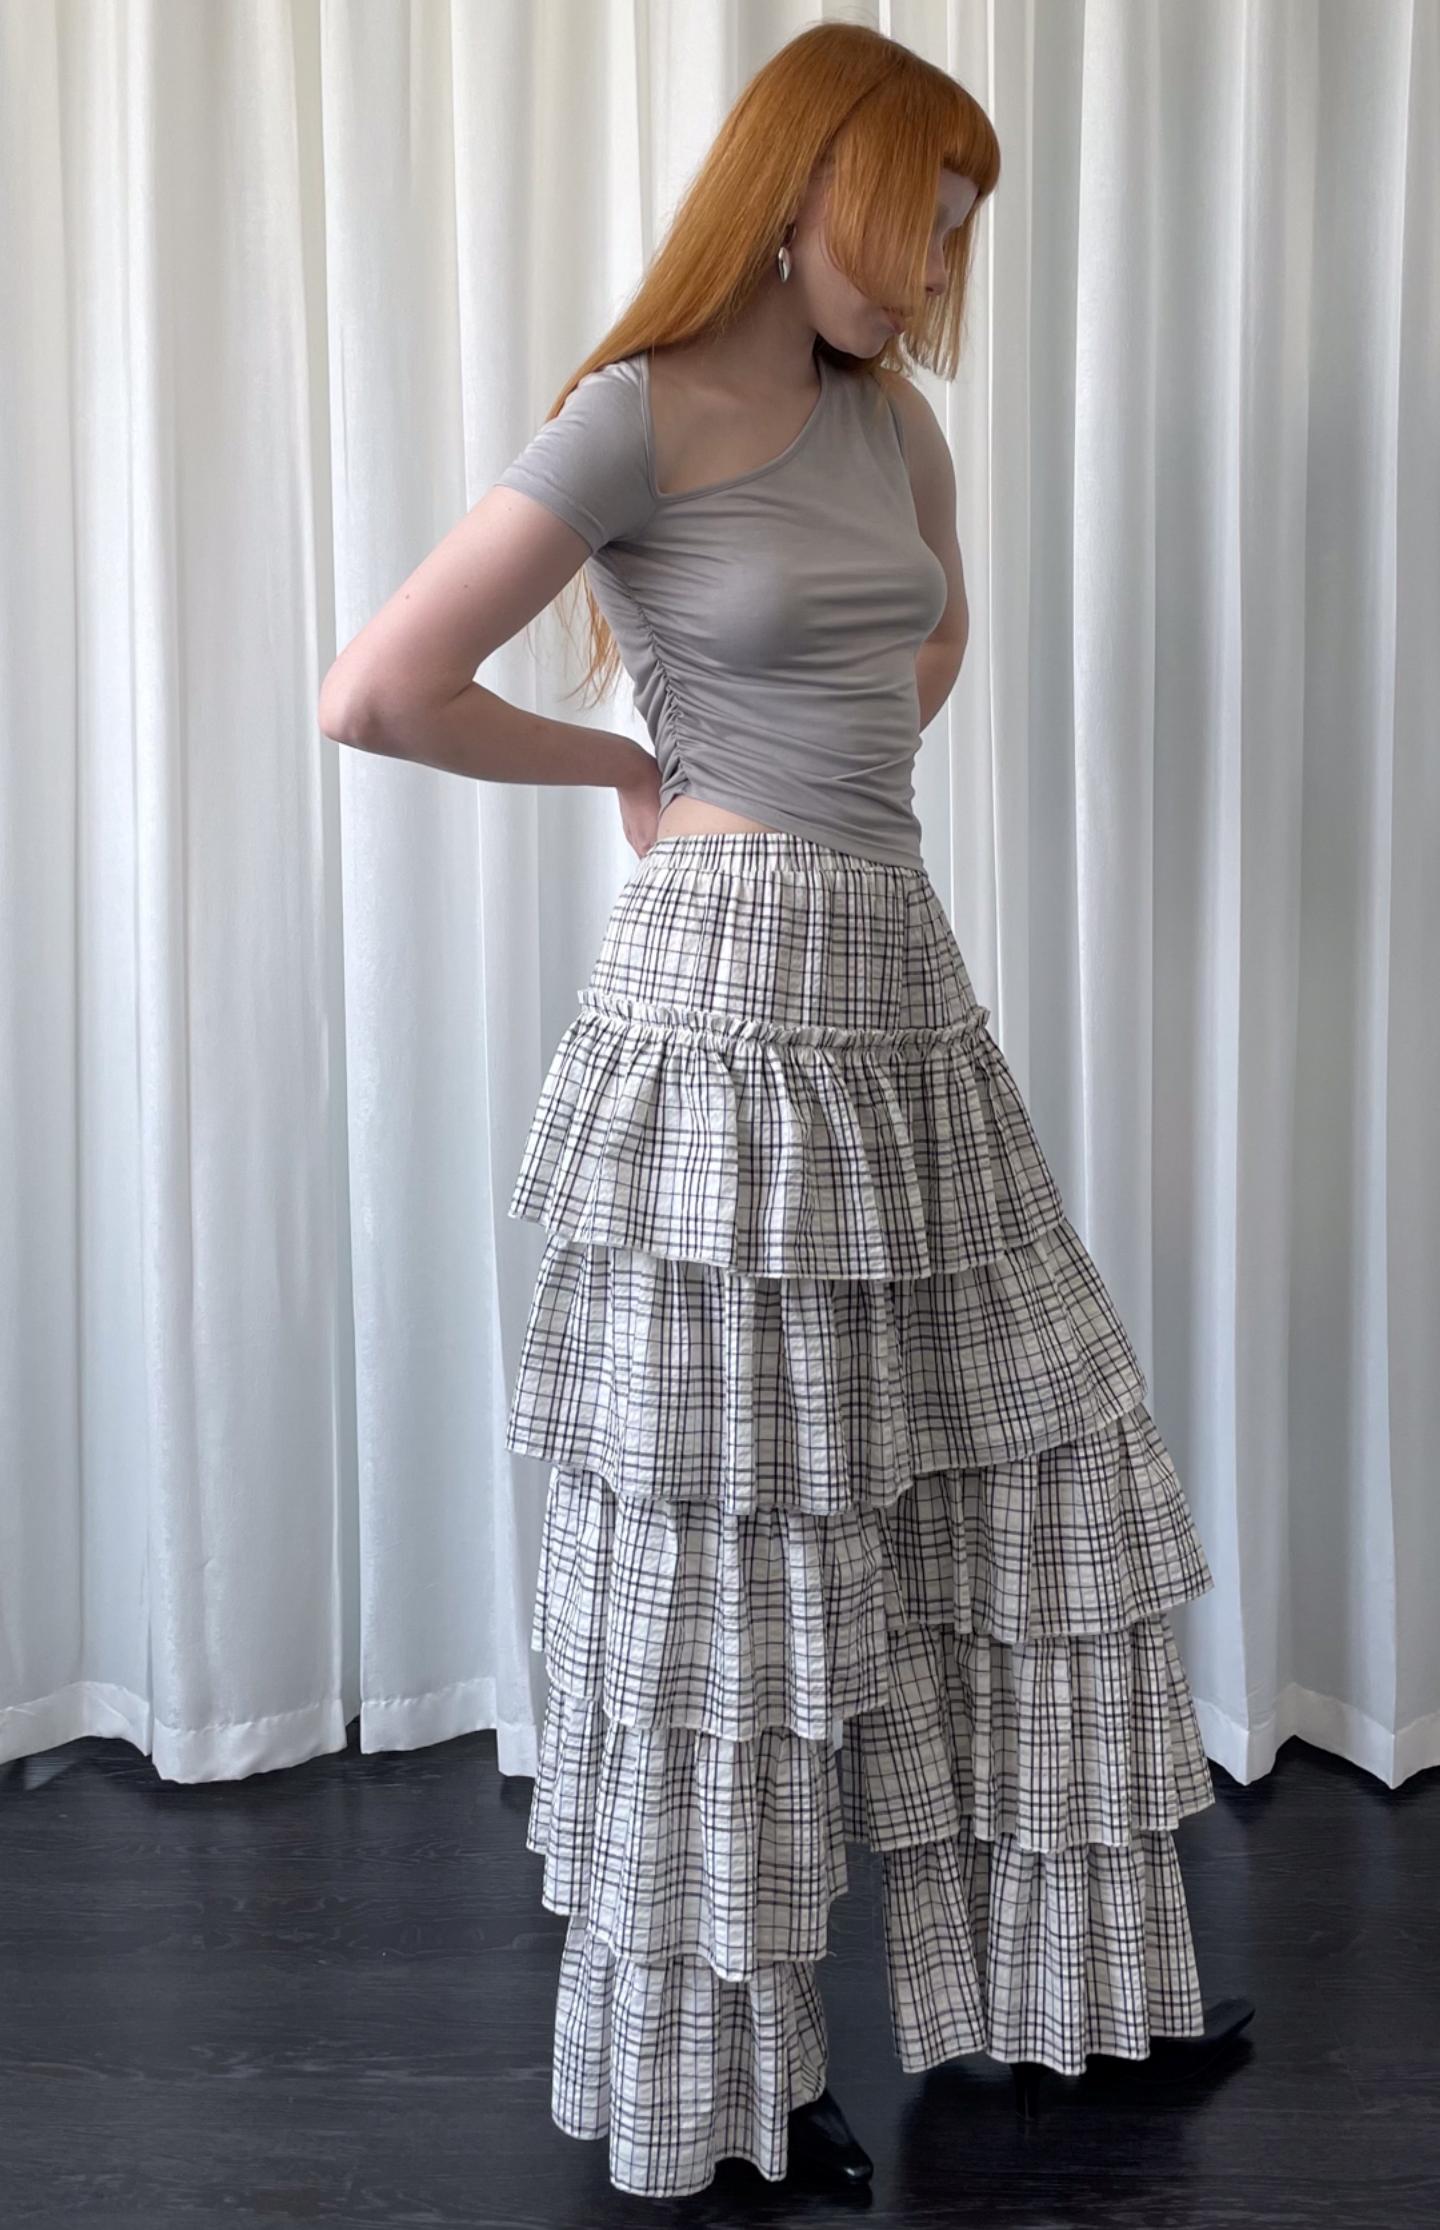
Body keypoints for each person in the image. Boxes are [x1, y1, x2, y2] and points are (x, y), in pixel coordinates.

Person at [319, 18, 1253, 2203]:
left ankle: (1062, 1993)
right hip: (726, 1012)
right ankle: (729, 2086)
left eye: (958, 237)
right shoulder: (633, 413)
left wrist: (819, 745)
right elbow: (379, 689)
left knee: (1036, 1472)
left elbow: (928, 640)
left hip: (899, 985)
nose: (933, 269)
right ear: (808, 177)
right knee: (737, 1560)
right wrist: (640, 763)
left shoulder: (898, 421)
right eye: (920, 217)